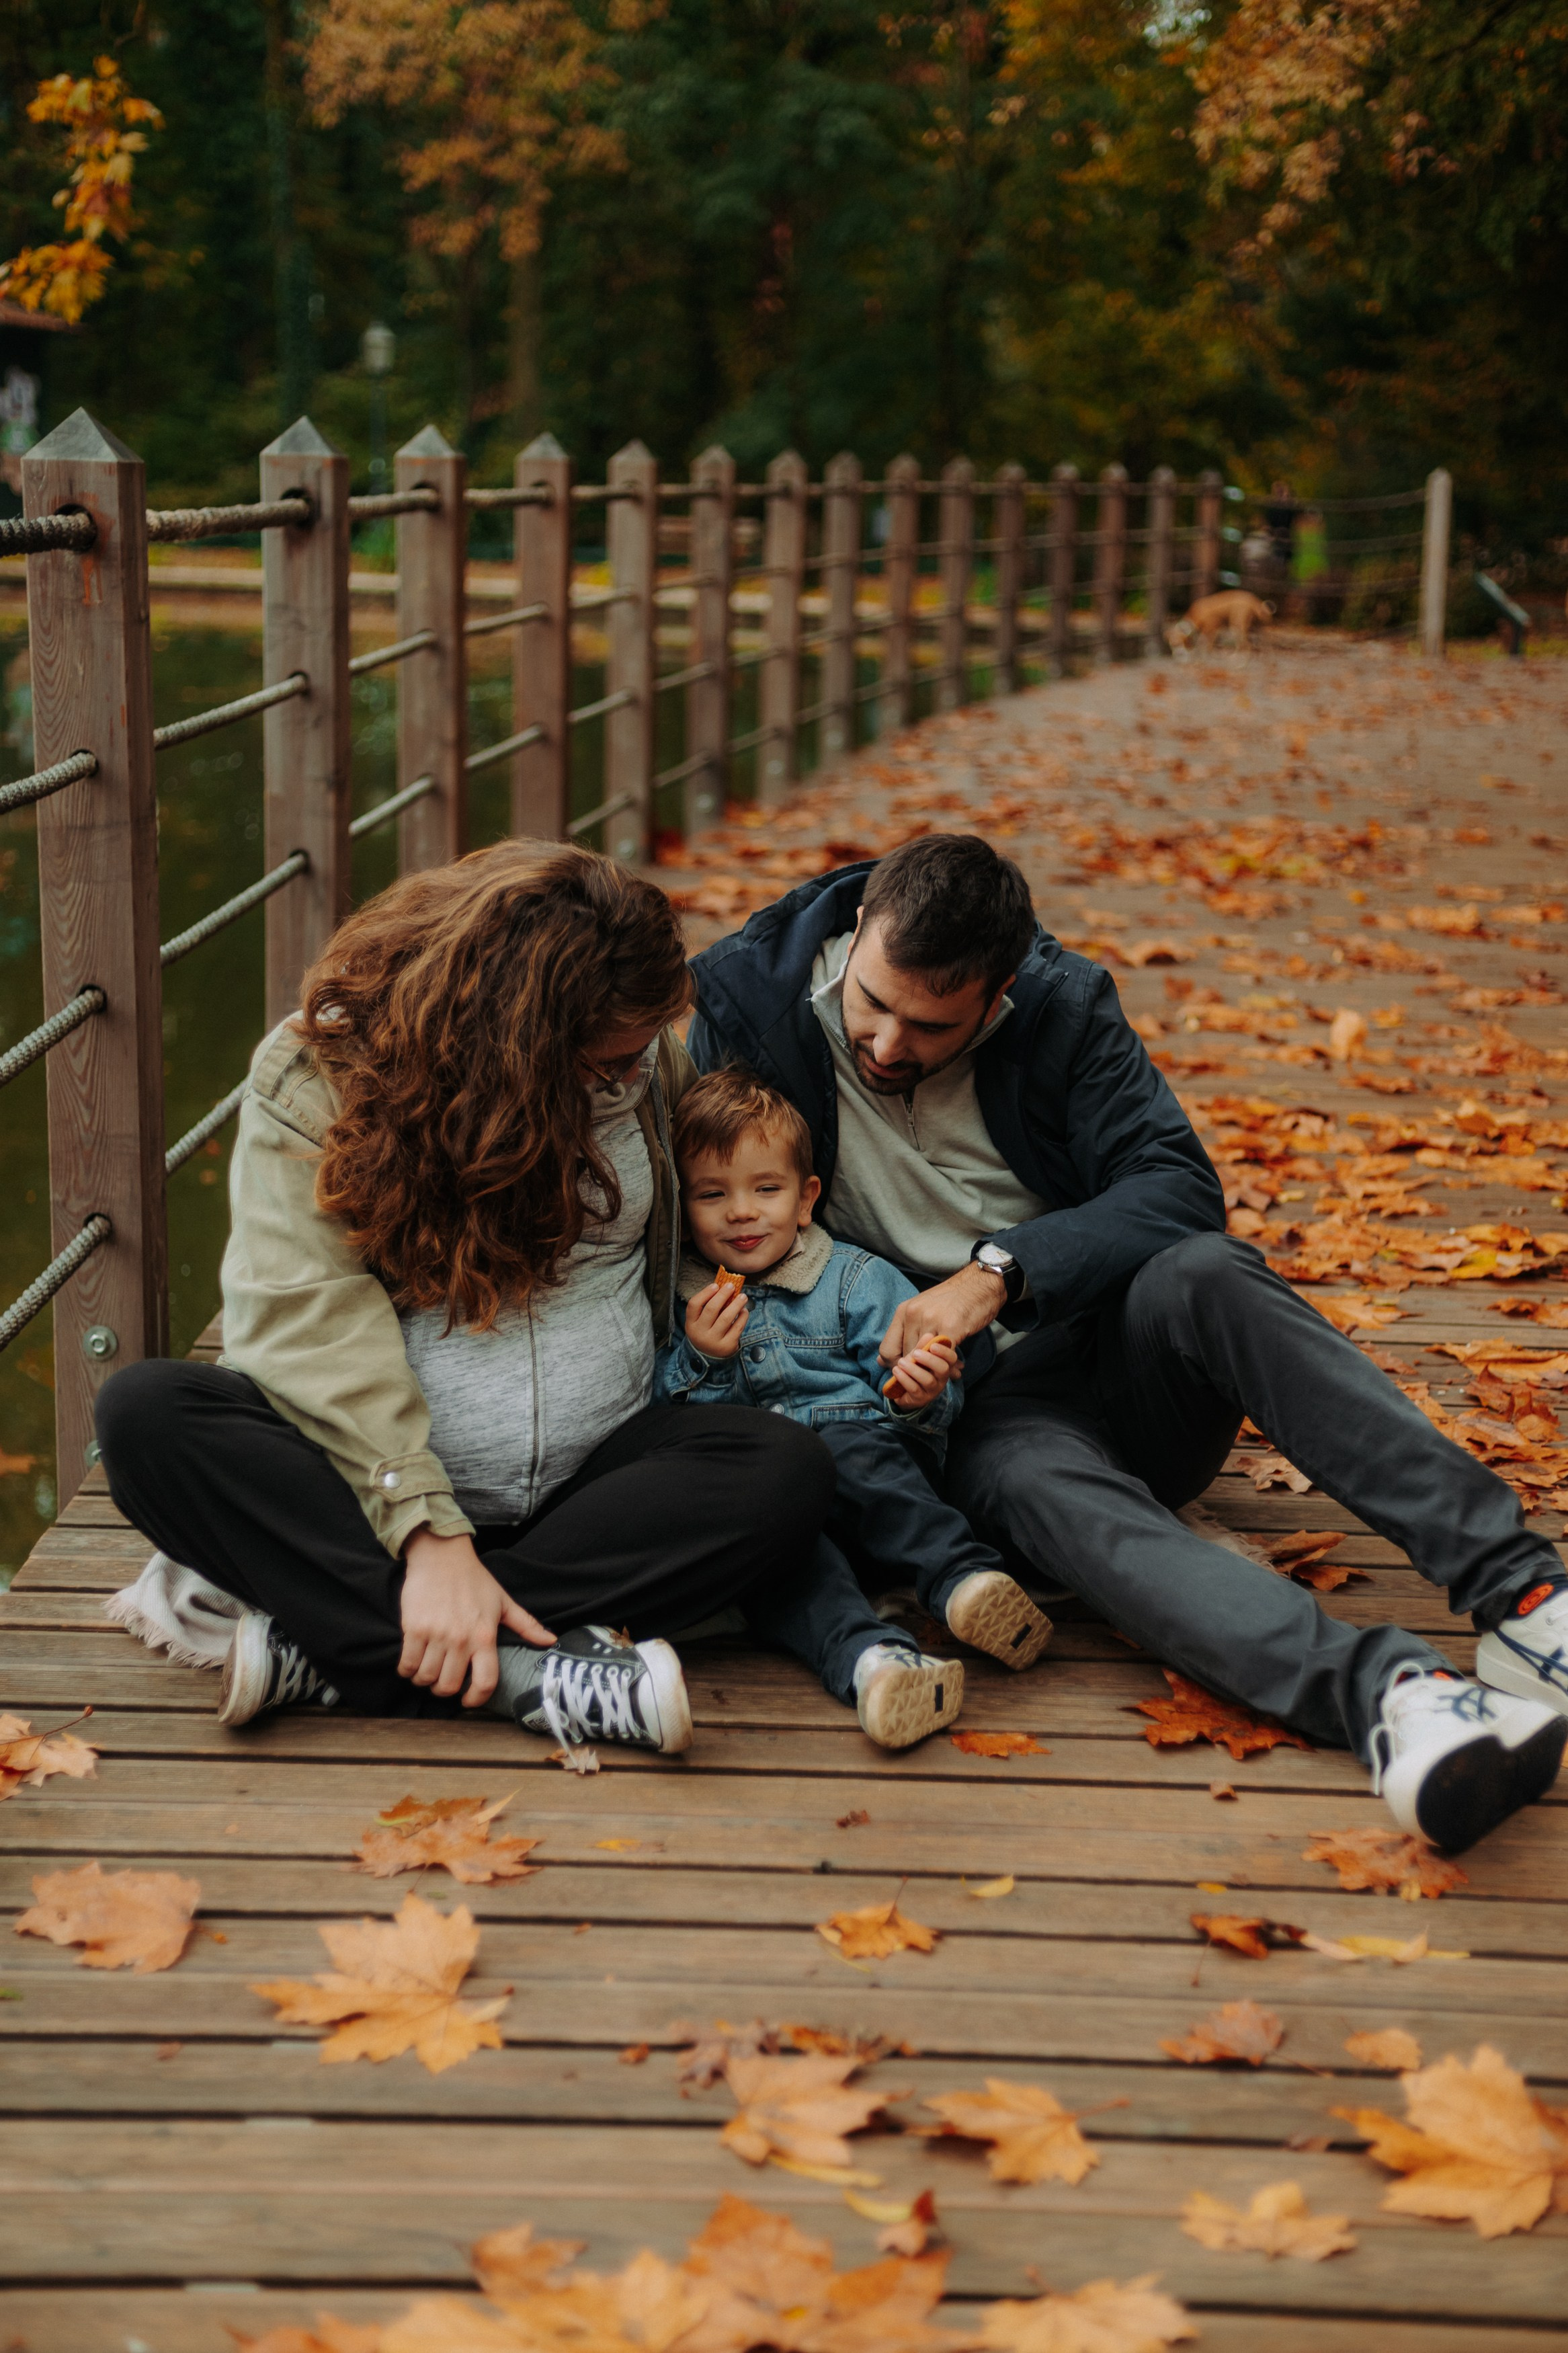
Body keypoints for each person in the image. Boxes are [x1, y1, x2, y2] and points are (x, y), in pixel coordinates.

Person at [688, 831, 1568, 1852]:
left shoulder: (1060, 1007)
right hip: (967, 1413)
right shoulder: (751, 1011)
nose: (885, 1045)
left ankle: (1523, 1594)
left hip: (1118, 1345)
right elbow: (700, 1214)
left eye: (929, 1026)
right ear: (856, 935)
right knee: (1034, 1485)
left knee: (1206, 1270)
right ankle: (1400, 1698)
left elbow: (1177, 1183)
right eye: (872, 1004)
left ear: (997, 994)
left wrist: (996, 1273)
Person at [95, 842, 835, 1753]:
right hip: (373, 1503)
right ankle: (523, 1672)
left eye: (645, 1048)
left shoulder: (642, 1067)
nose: (634, 1073)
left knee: (786, 1469)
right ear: (513, 1043)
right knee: (146, 1413)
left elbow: (729, 1193)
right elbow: (305, 1322)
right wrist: (428, 1533)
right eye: (606, 1062)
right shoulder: (318, 1080)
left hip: (591, 1499)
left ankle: (334, 1649)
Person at [653, 1068, 1053, 1748]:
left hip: (874, 1482)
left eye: (765, 1189)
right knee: (771, 1557)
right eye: (712, 1194)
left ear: (805, 1198)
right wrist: (700, 1358)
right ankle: (873, 1665)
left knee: (845, 1447)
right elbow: (664, 1427)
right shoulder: (678, 1308)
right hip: (779, 1513)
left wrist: (920, 1390)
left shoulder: (852, 1279)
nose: (741, 1211)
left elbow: (924, 1396)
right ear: (681, 1206)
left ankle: (960, 1579)